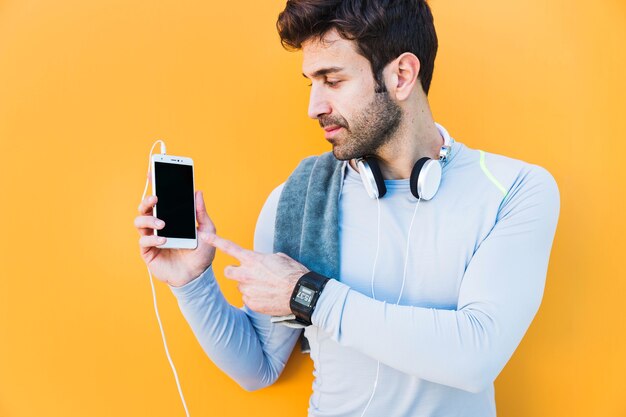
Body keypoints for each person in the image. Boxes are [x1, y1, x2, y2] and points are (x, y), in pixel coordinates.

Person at [134, 1, 560, 415]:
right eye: (310, 83)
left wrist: (309, 295)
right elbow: (258, 367)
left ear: (402, 75)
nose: (313, 107)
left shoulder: (514, 190)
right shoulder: (297, 200)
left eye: (332, 80)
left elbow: (475, 357)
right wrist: (192, 284)